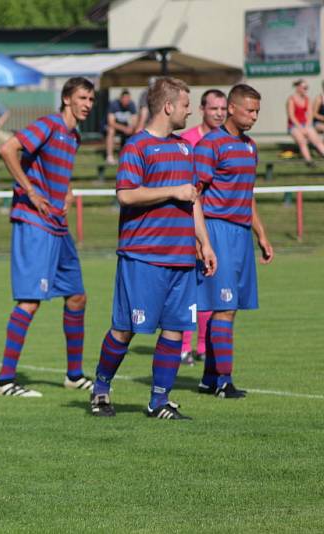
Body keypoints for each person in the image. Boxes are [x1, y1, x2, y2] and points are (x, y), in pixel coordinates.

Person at [88, 77, 217, 420]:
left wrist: (204, 242)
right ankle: (100, 389)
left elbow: (193, 199)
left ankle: (159, 401)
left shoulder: (186, 149)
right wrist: (172, 190)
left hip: (180, 258)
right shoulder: (137, 147)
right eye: (187, 104)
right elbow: (126, 194)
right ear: (168, 106)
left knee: (175, 328)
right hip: (142, 256)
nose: (190, 110)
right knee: (126, 328)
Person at [0, 77, 97, 398]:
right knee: (30, 300)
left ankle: (74, 375)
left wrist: (65, 192)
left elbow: (59, 173)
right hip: (34, 221)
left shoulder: (73, 135)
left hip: (57, 224)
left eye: (91, 99)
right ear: (66, 99)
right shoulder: (49, 125)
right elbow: (7, 148)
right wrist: (31, 191)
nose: (88, 104)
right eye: (82, 98)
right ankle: (5, 381)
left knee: (77, 296)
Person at [194, 84, 273, 399]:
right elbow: (194, 194)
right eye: (249, 110)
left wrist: (261, 234)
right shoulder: (210, 145)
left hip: (241, 234)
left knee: (230, 308)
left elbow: (247, 195)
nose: (254, 116)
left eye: (257, 111)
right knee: (224, 307)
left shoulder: (250, 146)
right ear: (231, 108)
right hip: (218, 230)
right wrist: (201, 240)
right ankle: (224, 382)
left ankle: (209, 378)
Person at [178, 88, 227, 366]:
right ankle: (184, 346)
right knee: (189, 288)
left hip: (215, 226)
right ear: (202, 109)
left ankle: (203, 346)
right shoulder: (187, 141)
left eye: (222, 108)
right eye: (213, 108)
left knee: (210, 286)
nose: (219, 113)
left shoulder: (229, 142)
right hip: (189, 224)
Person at [286, 79, 324, 167]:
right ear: (298, 88)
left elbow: (310, 114)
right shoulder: (291, 100)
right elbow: (291, 116)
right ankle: (309, 161)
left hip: (305, 124)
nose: (306, 90)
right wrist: (301, 128)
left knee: (317, 140)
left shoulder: (307, 99)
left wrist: (307, 126)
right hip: (293, 125)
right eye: (304, 88)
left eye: (307, 88)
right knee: (302, 142)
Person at [104, 89, 138, 165]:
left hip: (126, 127)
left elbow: (135, 120)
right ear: (121, 98)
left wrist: (131, 127)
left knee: (137, 131)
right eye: (125, 99)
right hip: (115, 126)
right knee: (111, 130)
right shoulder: (114, 105)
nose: (126, 101)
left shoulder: (131, 105)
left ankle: (133, 156)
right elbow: (111, 122)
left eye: (128, 99)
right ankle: (109, 157)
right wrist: (124, 128)